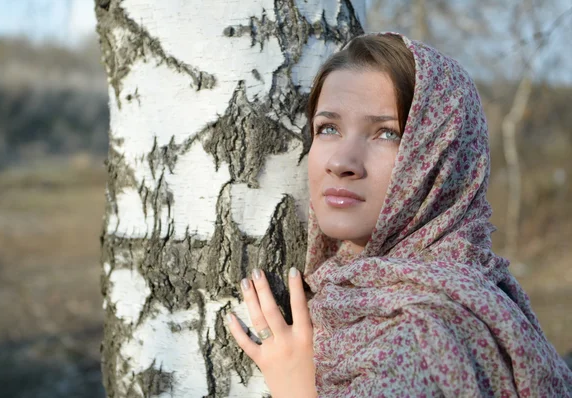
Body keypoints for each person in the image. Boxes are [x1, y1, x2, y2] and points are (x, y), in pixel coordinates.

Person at [226, 32, 572, 397]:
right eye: (328, 128)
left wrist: (293, 388)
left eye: (386, 134)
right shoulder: (461, 287)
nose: (342, 162)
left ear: (441, 158)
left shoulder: (421, 338)